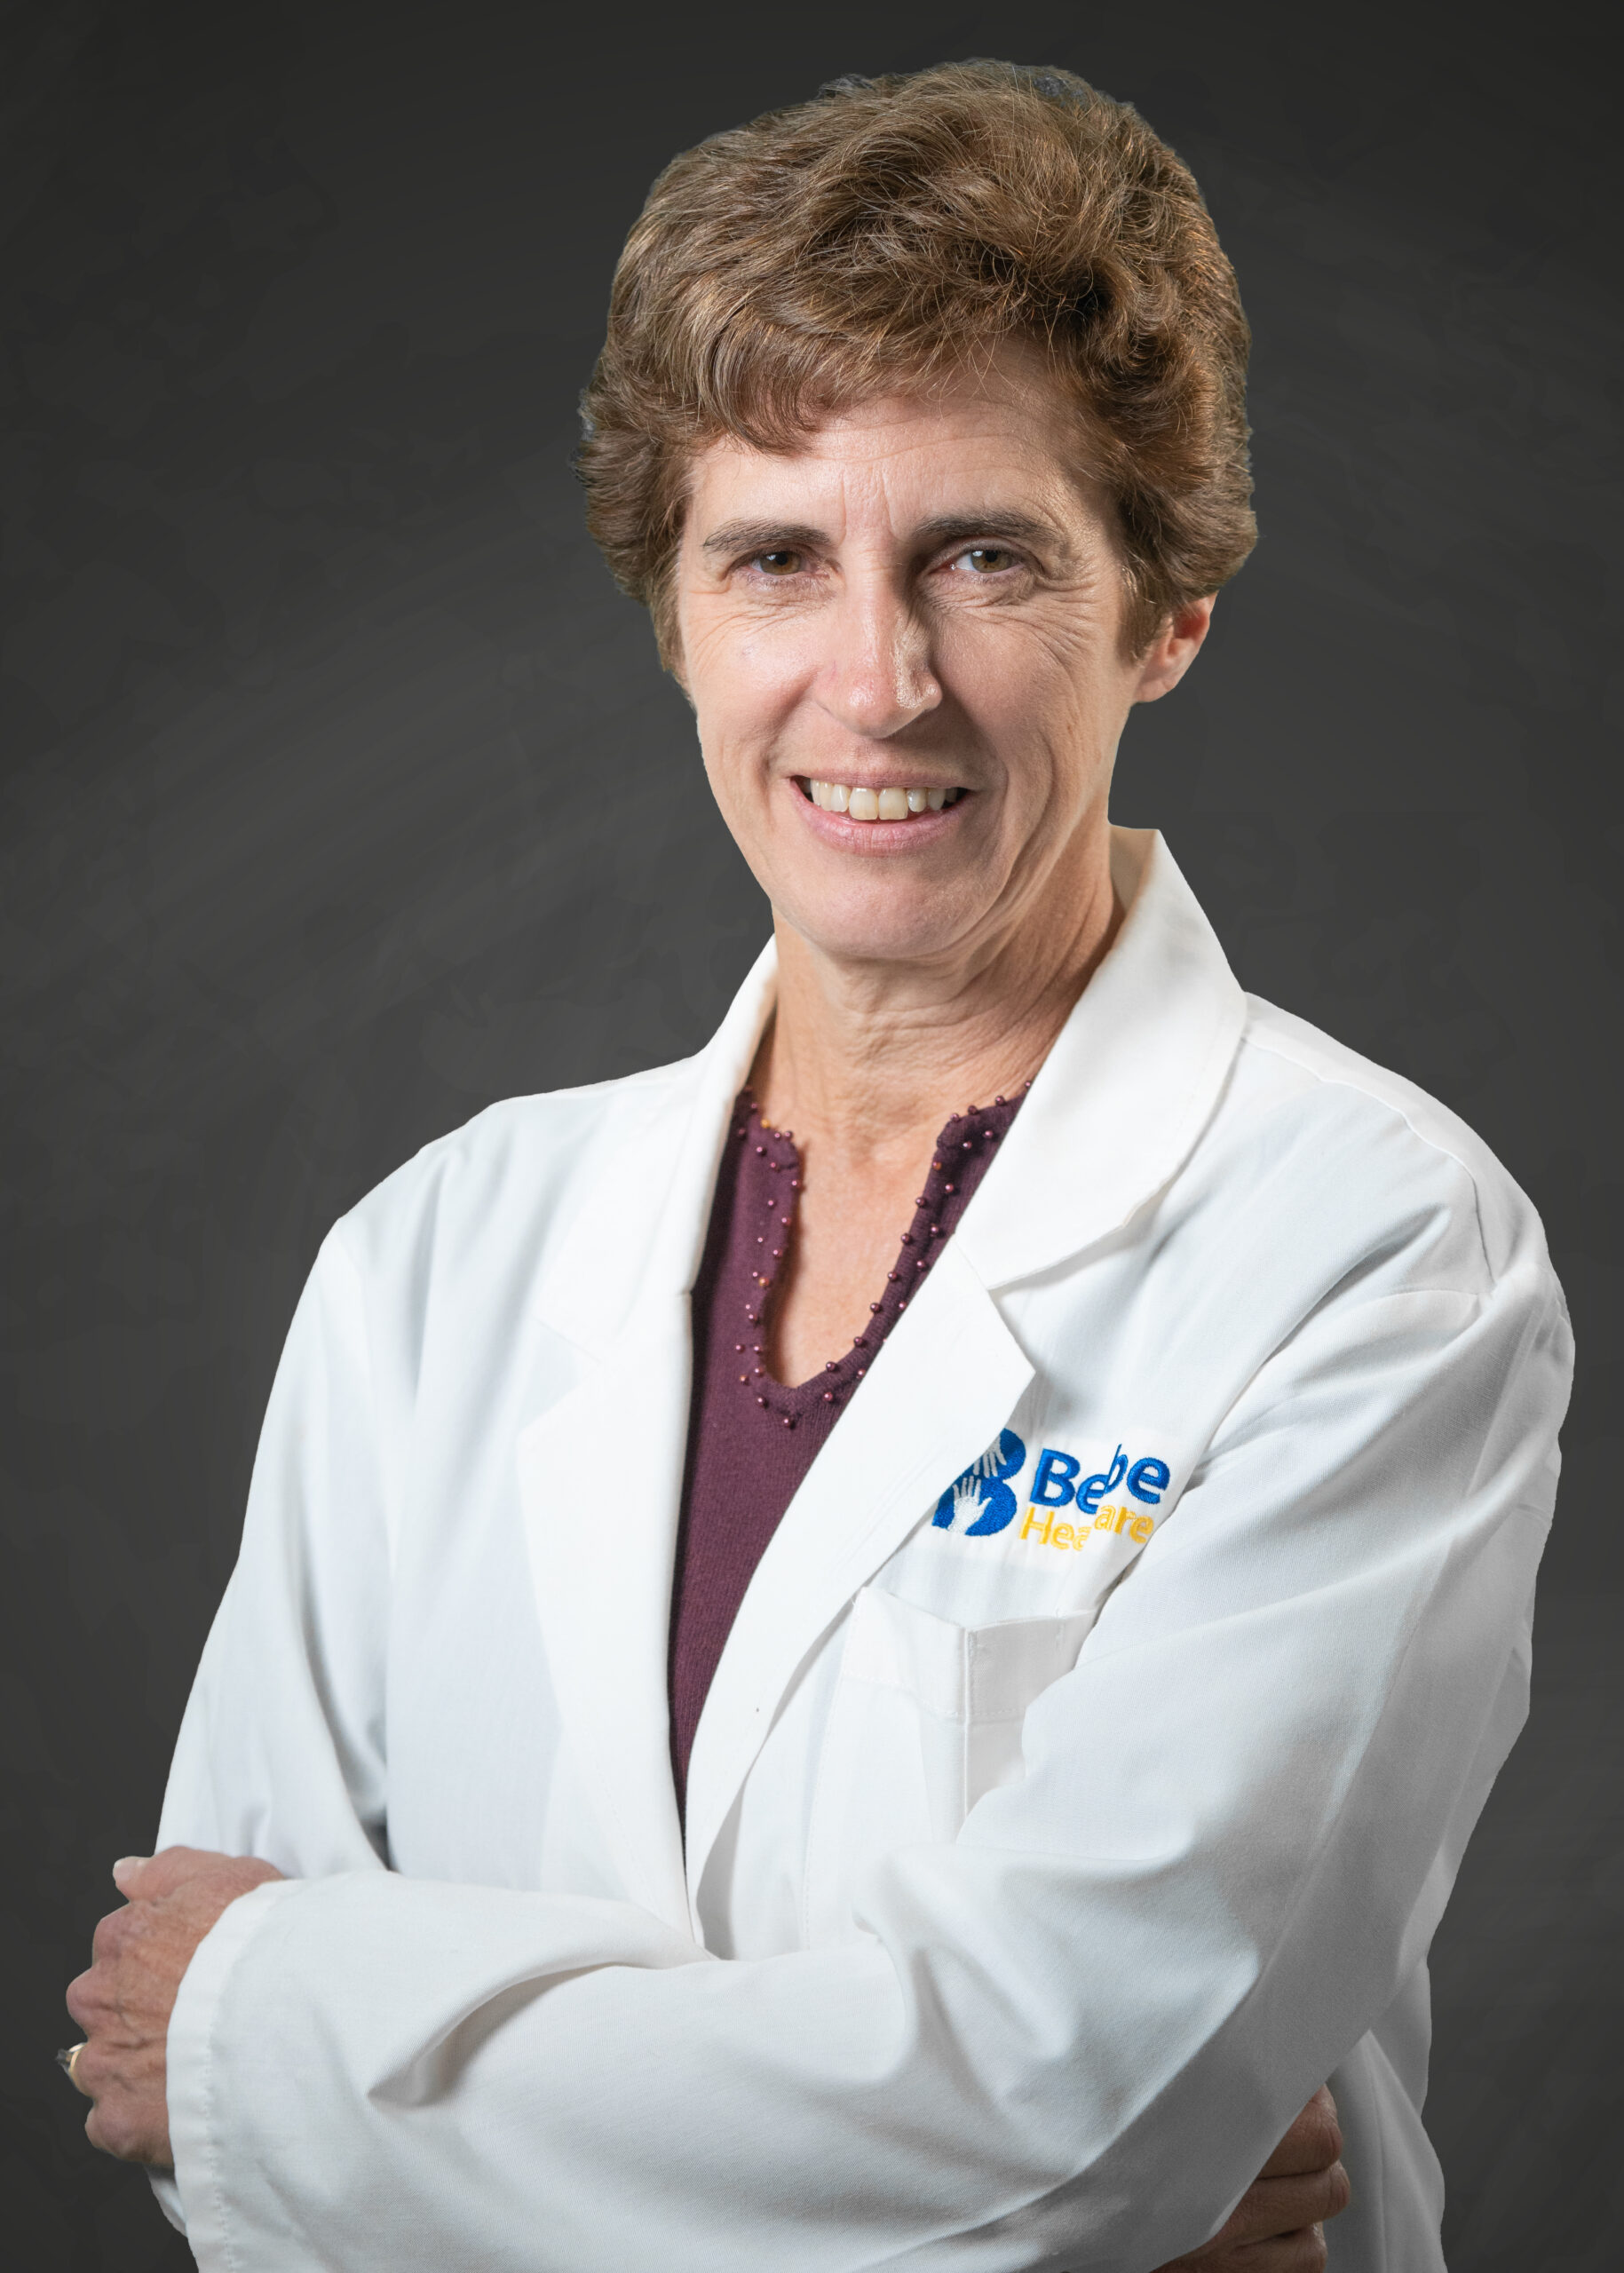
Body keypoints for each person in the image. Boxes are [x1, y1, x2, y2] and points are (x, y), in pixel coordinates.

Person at [63, 60, 1569, 2272]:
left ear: (1165, 613)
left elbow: (1061, 2114)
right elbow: (209, 2137)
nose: (876, 682)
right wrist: (956, 2182)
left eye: (984, 556)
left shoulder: (1373, 1249)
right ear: (676, 616)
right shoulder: (434, 1258)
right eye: (775, 556)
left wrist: (315, 2045)